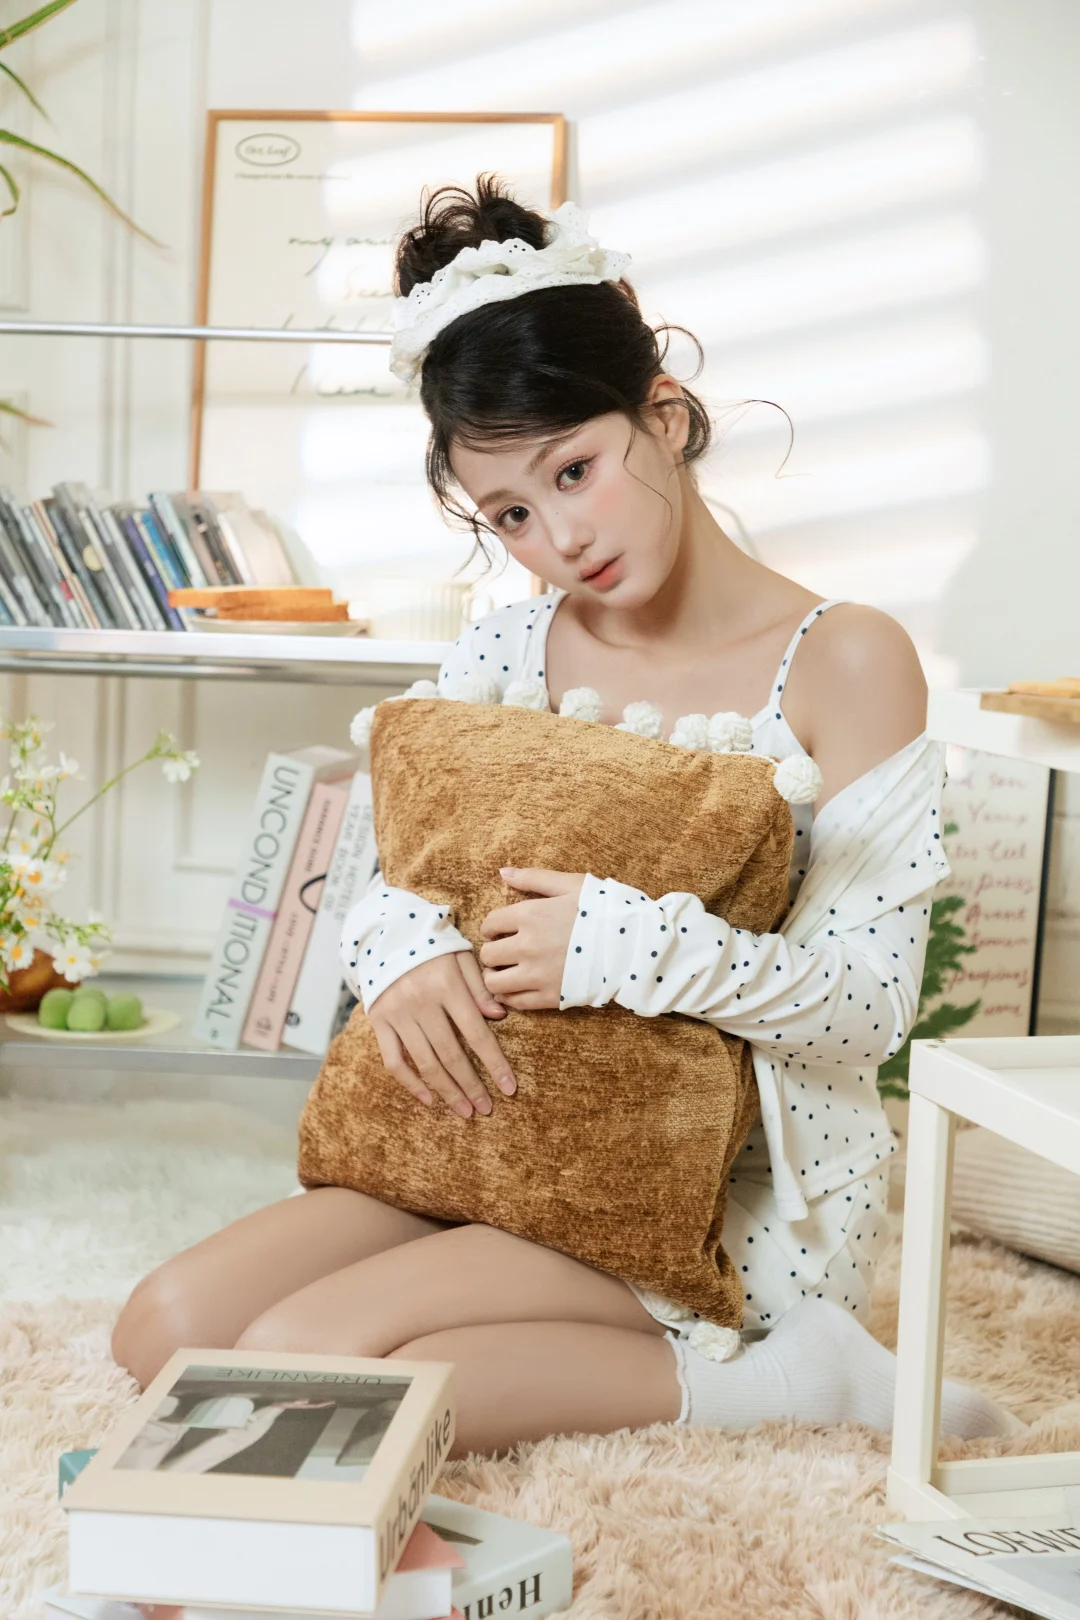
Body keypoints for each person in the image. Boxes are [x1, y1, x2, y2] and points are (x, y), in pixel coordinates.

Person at [111, 177, 1023, 1454]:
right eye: (513, 516)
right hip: (487, 1143)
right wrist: (404, 951)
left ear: (665, 414)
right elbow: (397, 880)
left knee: (305, 1359)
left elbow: (868, 1008)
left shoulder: (844, 658)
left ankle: (802, 1375)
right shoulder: (507, 648)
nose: (561, 538)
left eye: (575, 471)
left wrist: (630, 947)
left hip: (702, 1193)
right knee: (164, 1326)